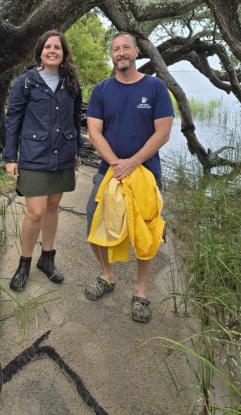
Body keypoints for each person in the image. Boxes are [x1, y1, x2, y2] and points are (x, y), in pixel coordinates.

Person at [85, 32, 174, 322]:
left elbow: (163, 131)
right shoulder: (101, 90)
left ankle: (140, 293)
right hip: (109, 171)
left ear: (136, 52)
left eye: (126, 48)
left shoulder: (155, 87)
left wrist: (133, 163)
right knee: (94, 221)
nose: (121, 52)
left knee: (146, 233)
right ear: (111, 55)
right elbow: (94, 131)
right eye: (115, 49)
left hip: (146, 172)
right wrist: (115, 164)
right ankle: (107, 276)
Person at [3, 30, 82, 291]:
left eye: (57, 47)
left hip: (63, 154)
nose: (52, 51)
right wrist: (10, 157)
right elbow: (13, 119)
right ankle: (24, 263)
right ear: (40, 52)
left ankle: (47, 259)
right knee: (35, 212)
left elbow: (74, 120)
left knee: (52, 206)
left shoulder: (70, 82)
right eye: (47, 47)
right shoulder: (25, 81)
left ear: (64, 53)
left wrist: (77, 152)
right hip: (33, 156)